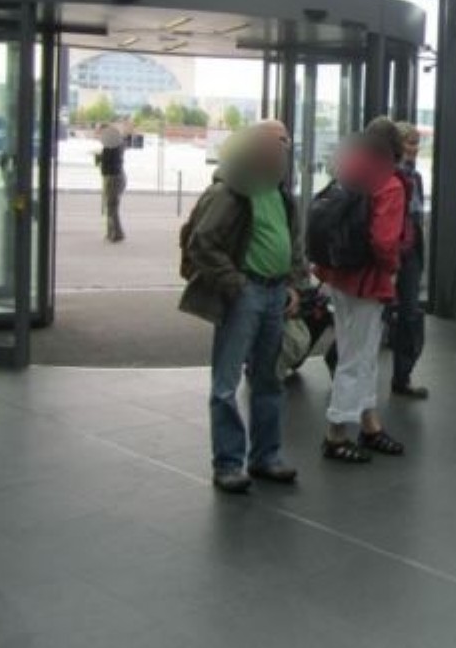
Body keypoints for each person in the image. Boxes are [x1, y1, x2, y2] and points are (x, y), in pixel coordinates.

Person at [179, 120, 307, 494]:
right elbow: (202, 243)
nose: (281, 148)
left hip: (275, 293)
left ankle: (266, 456)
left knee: (269, 379)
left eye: (284, 142)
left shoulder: (280, 194)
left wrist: (293, 284)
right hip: (247, 293)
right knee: (226, 383)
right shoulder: (231, 192)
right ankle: (228, 464)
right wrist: (236, 285)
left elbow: (292, 244)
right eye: (274, 141)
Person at [315, 117, 407, 463]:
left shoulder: (349, 169)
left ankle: (370, 424)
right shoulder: (390, 183)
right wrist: (393, 268)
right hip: (369, 281)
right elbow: (384, 241)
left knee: (358, 352)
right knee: (357, 358)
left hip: (339, 275)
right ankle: (336, 433)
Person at [389, 120, 428, 400]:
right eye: (409, 143)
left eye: (416, 143)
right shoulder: (387, 176)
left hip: (411, 248)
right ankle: (338, 362)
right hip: (390, 249)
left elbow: (416, 216)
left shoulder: (417, 178)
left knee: (409, 313)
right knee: (375, 314)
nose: (414, 149)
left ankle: (402, 377)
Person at [96, 123, 127, 243]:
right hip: (115, 177)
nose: (100, 136)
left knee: (111, 207)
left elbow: (110, 162)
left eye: (101, 133)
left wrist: (101, 157)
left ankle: (117, 233)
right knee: (111, 207)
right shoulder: (114, 145)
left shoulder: (112, 145)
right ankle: (111, 232)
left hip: (113, 178)